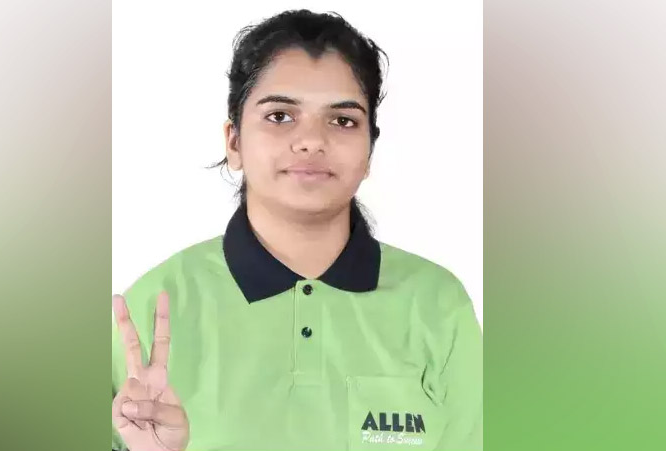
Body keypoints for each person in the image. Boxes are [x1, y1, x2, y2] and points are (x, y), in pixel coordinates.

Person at [112, 9, 482, 451]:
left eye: (343, 120)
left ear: (369, 151)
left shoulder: (438, 306)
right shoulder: (151, 309)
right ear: (234, 141)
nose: (311, 140)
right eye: (280, 116)